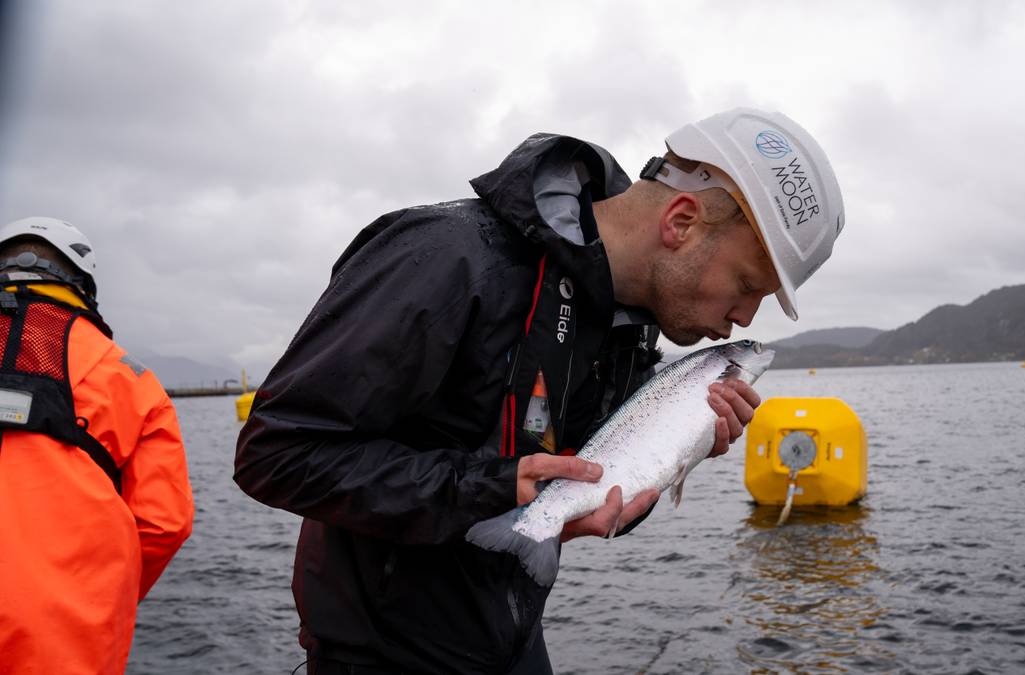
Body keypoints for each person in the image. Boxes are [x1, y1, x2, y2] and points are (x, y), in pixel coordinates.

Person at [234, 107, 844, 674]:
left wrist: (680, 448)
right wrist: (493, 489)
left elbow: (593, 489)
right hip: (382, 657)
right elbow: (277, 453)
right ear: (680, 222)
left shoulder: (628, 328)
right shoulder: (447, 257)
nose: (745, 318)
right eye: (747, 283)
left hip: (514, 646)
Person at [0, 217, 194, 674]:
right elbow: (164, 523)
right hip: (59, 634)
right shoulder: (130, 378)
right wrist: (100, 592)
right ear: (81, 282)